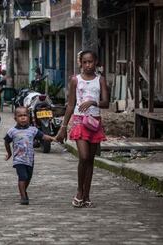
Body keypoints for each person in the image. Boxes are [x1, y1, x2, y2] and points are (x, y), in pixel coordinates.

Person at [56, 50, 109, 208]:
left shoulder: (100, 80)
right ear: (81, 63)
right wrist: (63, 127)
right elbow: (71, 104)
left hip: (94, 122)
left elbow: (106, 102)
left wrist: (93, 102)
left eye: (91, 62)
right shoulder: (75, 80)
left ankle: (86, 195)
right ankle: (79, 191)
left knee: (91, 160)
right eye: (85, 62)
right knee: (84, 157)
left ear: (96, 62)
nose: (88, 65)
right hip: (79, 121)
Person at [4, 106, 56, 205]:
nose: (23, 118)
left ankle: (24, 191)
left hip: (30, 159)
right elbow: (6, 142)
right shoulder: (12, 131)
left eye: (25, 115)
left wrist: (53, 138)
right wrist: (9, 153)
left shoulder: (33, 130)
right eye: (20, 116)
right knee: (22, 176)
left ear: (29, 117)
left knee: (28, 177)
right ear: (15, 118)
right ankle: (23, 197)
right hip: (19, 159)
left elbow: (43, 136)